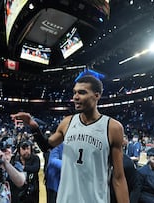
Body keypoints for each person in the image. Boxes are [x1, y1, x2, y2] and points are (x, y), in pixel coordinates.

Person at [12, 75, 129, 203]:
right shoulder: (67, 122)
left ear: (97, 95)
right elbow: (46, 146)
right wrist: (33, 126)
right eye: (74, 92)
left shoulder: (113, 127)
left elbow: (118, 177)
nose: (75, 97)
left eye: (82, 92)